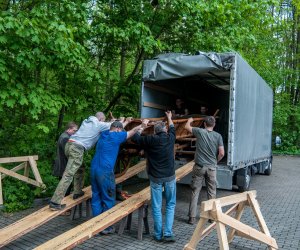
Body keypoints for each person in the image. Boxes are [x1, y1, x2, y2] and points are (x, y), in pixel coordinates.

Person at [49, 112, 113, 211]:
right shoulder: (98, 124)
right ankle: (55, 202)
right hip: (77, 148)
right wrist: (120, 120)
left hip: (69, 145)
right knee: (68, 175)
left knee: (80, 168)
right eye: (103, 121)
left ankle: (77, 191)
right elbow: (115, 125)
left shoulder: (86, 122)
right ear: (101, 119)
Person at [91, 119, 142, 235]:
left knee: (96, 196)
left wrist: (123, 122)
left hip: (94, 169)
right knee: (108, 198)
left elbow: (115, 129)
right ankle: (106, 227)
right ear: (119, 130)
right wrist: (141, 126)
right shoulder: (116, 137)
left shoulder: (103, 134)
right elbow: (132, 132)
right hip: (105, 172)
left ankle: (94, 225)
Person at [131, 111, 176, 243]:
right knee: (170, 205)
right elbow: (172, 127)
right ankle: (168, 234)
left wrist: (143, 125)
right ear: (165, 130)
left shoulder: (150, 140)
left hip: (155, 178)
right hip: (169, 177)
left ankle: (158, 235)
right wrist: (169, 117)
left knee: (156, 207)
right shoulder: (170, 138)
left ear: (155, 132)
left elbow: (135, 138)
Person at [184, 116, 224, 225]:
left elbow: (187, 127)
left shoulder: (200, 131)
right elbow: (222, 153)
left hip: (199, 167)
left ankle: (192, 218)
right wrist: (215, 161)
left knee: (195, 191)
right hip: (211, 167)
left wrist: (190, 120)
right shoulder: (218, 136)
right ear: (214, 124)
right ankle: (211, 217)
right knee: (211, 192)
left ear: (204, 124)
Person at [53, 121, 78, 197]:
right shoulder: (65, 138)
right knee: (65, 188)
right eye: (74, 130)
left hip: (63, 164)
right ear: (69, 129)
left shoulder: (64, 136)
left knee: (64, 187)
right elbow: (67, 153)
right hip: (64, 165)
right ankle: (63, 204)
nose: (75, 132)